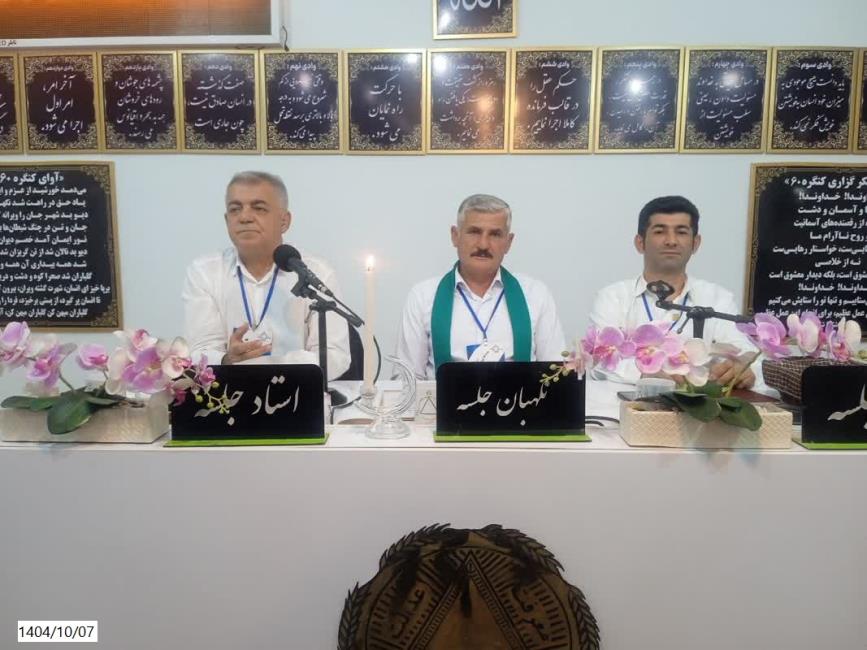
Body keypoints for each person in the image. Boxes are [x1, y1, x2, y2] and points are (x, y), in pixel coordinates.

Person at [182, 171, 350, 377]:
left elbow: (334, 355)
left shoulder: (317, 273)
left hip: (297, 390)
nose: (244, 217)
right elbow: (199, 351)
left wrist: (272, 367)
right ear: (227, 220)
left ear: (284, 221)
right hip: (229, 391)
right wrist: (226, 360)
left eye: (259, 208)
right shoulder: (205, 272)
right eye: (235, 209)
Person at [589, 195, 757, 387]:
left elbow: (746, 352)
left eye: (681, 232)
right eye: (660, 231)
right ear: (640, 243)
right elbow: (600, 361)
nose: (671, 241)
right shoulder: (612, 298)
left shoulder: (718, 298)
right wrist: (647, 372)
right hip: (627, 403)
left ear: (695, 243)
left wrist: (742, 366)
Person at [396, 194, 565, 379]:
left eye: (495, 234)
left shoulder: (536, 295)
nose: (483, 244)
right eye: (474, 232)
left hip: (519, 397)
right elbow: (407, 380)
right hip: (442, 398)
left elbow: (556, 374)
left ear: (508, 242)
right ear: (455, 236)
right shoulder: (423, 296)